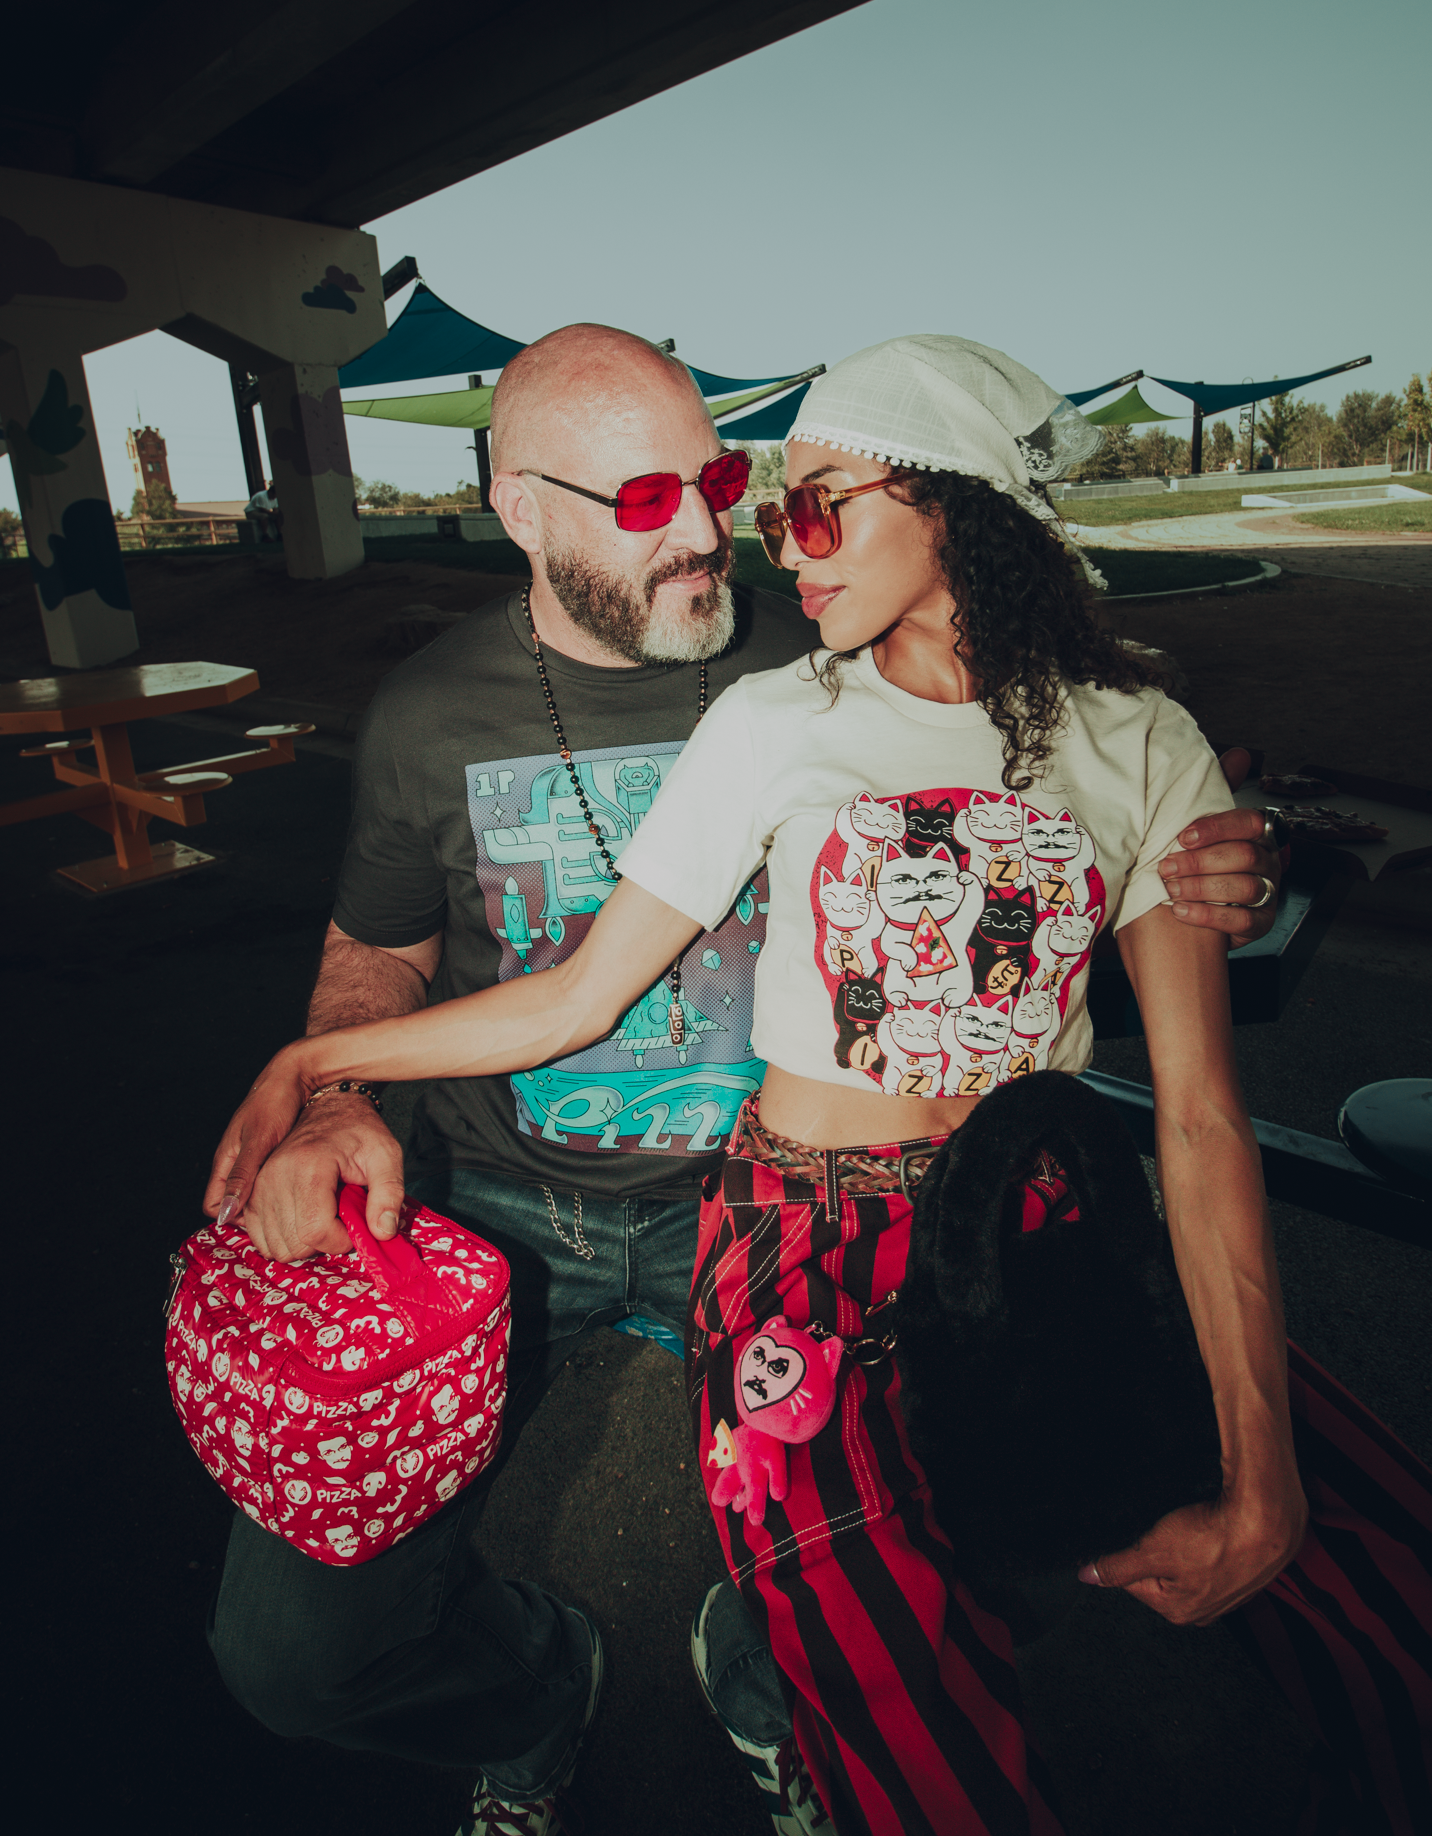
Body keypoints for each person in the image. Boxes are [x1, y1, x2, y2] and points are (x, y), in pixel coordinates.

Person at [204, 326, 1293, 1836]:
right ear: (528, 511)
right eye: (685, 502)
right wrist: (317, 1065)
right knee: (872, 1659)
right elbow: (570, 993)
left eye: (769, 491)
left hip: (1009, 1216)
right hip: (729, 1219)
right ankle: (608, 1699)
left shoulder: (1103, 727)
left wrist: (1266, 1470)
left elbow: (1198, 1110)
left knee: (993, 1556)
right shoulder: (755, 713)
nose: (751, 540)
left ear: (957, 499)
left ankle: (776, 1668)